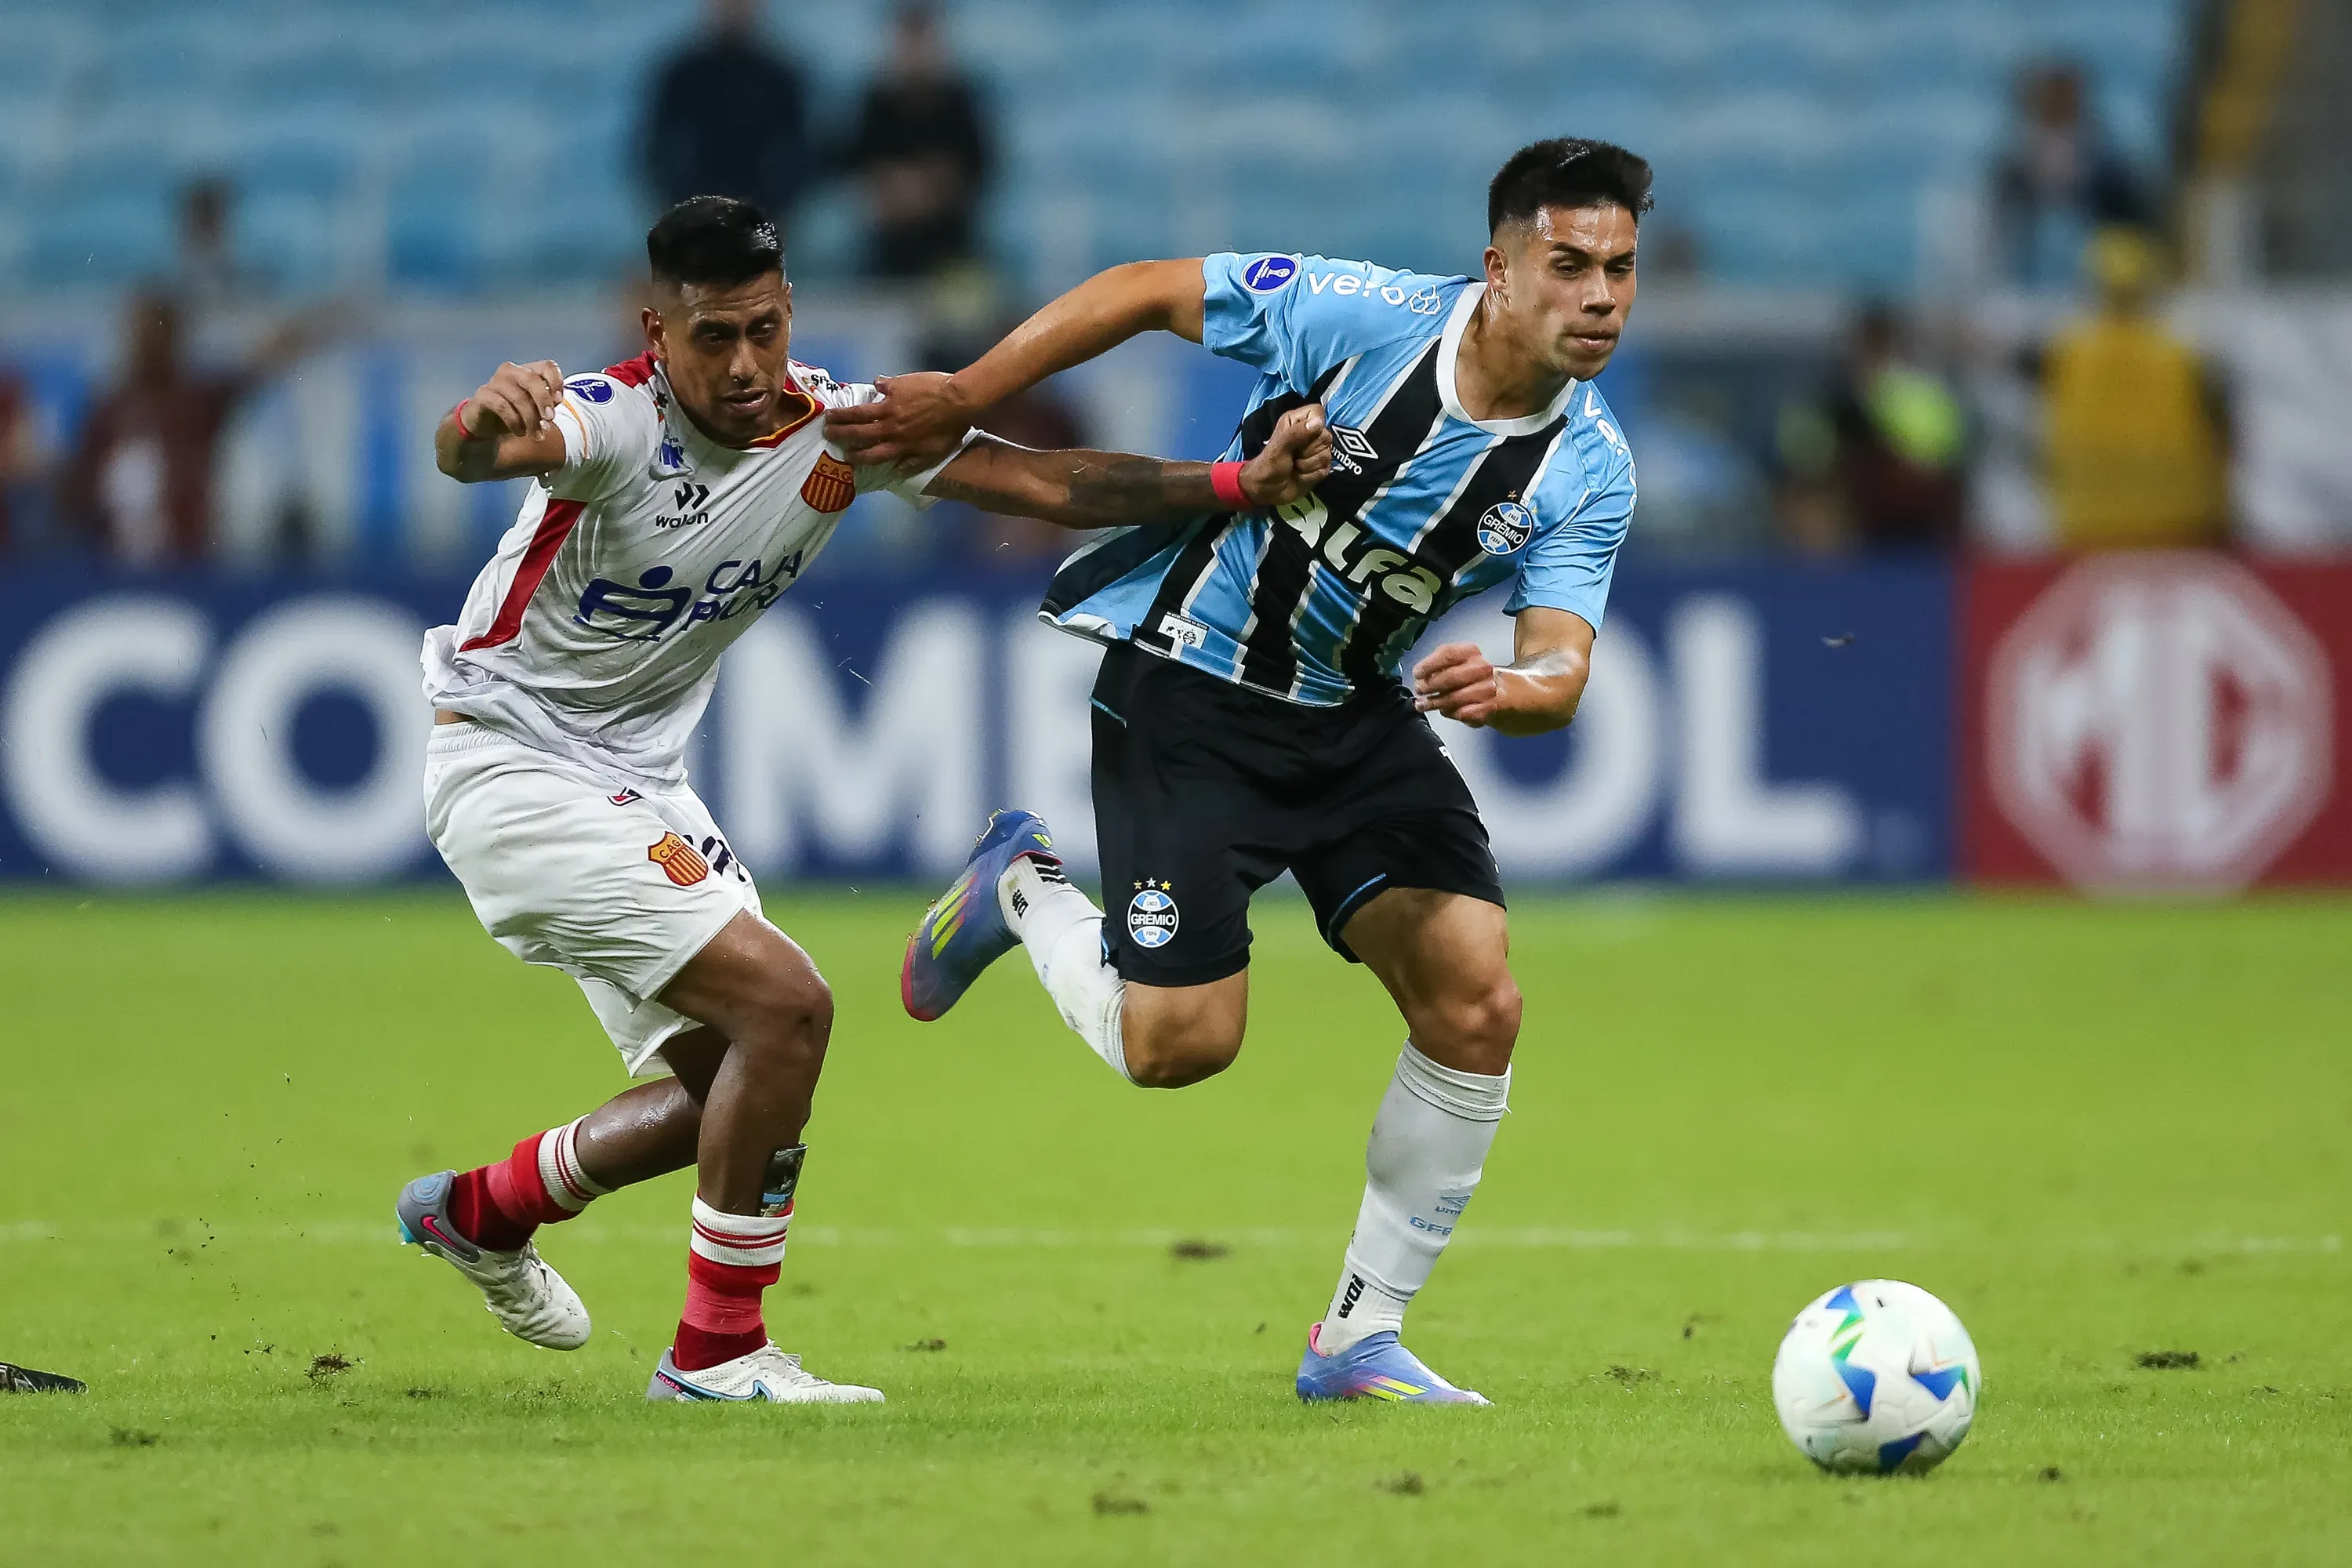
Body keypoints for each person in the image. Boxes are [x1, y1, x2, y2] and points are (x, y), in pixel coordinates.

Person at [401, 195, 1332, 1405]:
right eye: (711, 339)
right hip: (508, 764)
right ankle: (716, 1353)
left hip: (636, 782)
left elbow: (1046, 484)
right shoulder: (610, 422)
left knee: (722, 1087)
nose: (744, 366)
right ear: (655, 331)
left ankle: (480, 1212)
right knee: (789, 1010)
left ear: (790, 313)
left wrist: (1225, 482)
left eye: (765, 329)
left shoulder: (836, 428)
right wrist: (482, 415)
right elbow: (476, 452)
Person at [831, 137, 1649, 1406]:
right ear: (1499, 269)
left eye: (1621, 269)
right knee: (1180, 1048)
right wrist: (967, 388)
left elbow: (1562, 662)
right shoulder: (1368, 321)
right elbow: (1147, 288)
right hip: (1190, 693)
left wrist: (1518, 690)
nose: (1600, 296)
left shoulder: (1588, 469)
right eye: (1570, 264)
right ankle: (1022, 890)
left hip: (1352, 716)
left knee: (1477, 1004)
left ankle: (1356, 1340)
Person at [60, 289, 318, 564]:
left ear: (175, 337)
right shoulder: (109, 409)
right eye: (141, 332)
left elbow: (261, 362)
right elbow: (75, 491)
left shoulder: (197, 399)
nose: (149, 342)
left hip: (188, 559)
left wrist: (316, 324)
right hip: (118, 562)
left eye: (157, 332)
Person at [2042, 227, 2227, 549]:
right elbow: (2221, 428)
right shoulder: (2182, 353)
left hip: (2088, 519)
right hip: (2177, 519)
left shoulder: (2068, 352)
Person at [845, 5, 993, 280]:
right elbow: (859, 174)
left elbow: (979, 174)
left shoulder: (962, 105)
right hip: (886, 252)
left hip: (956, 251)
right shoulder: (876, 106)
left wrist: (929, 189)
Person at [640, 0, 815, 232]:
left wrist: (780, 210)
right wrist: (674, 206)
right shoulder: (683, 75)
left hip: (765, 213)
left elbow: (798, 151)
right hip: (693, 212)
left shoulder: (779, 77)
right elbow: (658, 149)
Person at [1991, 62, 2150, 291]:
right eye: (2048, 109)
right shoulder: (2011, 172)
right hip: (2021, 290)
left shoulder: (2113, 174)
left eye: (2063, 107)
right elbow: (1996, 241)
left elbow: (2132, 237)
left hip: (2097, 291)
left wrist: (2081, 181)